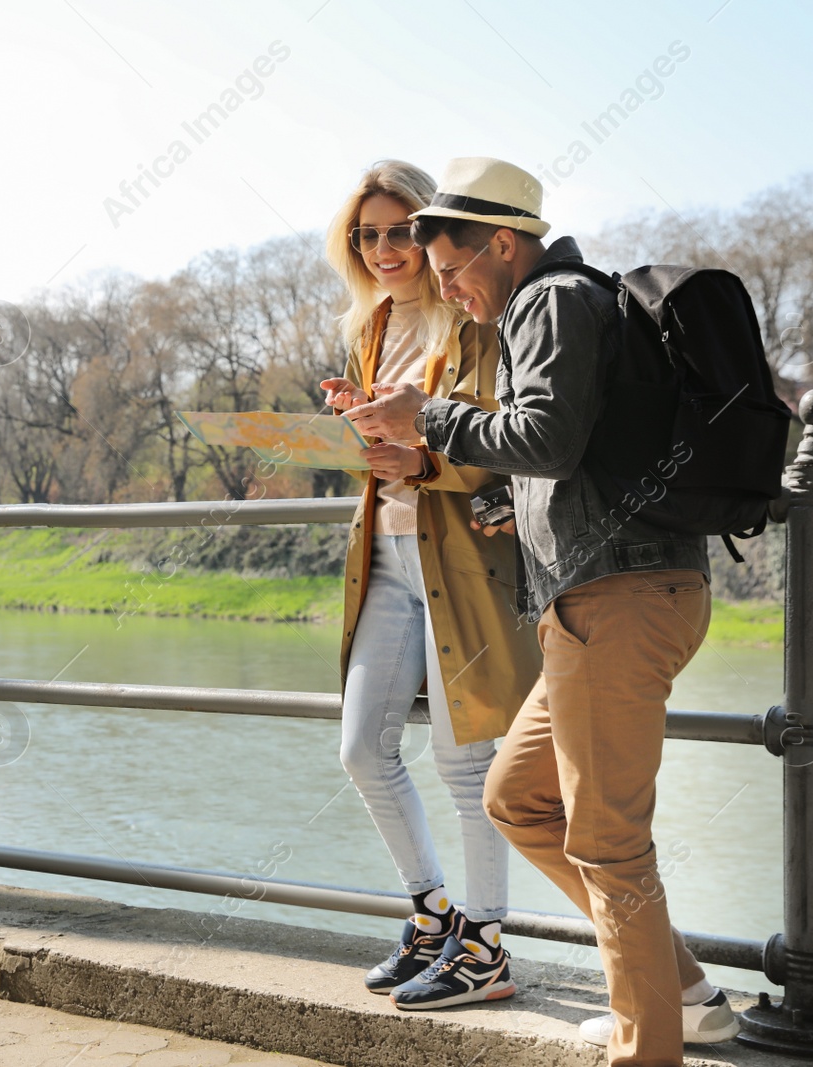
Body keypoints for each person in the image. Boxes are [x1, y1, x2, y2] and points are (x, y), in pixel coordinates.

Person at [343, 157, 739, 1064]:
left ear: (503, 243)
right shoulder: (558, 304)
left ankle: (650, 1046)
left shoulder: (550, 300)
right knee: (519, 798)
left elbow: (545, 439)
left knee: (606, 837)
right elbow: (563, 455)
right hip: (589, 598)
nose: (448, 288)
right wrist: (489, 497)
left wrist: (428, 417)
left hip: (622, 597)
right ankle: (686, 996)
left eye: (454, 270)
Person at [319, 160, 541, 1011]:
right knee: (361, 748)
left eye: (401, 229)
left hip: (461, 565)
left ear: (432, 229)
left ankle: (486, 945)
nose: (384, 248)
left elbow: (501, 443)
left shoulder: (478, 321)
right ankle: (432, 914)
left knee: (465, 761)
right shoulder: (368, 328)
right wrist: (354, 418)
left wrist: (421, 459)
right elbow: (391, 441)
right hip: (383, 557)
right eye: (367, 234)